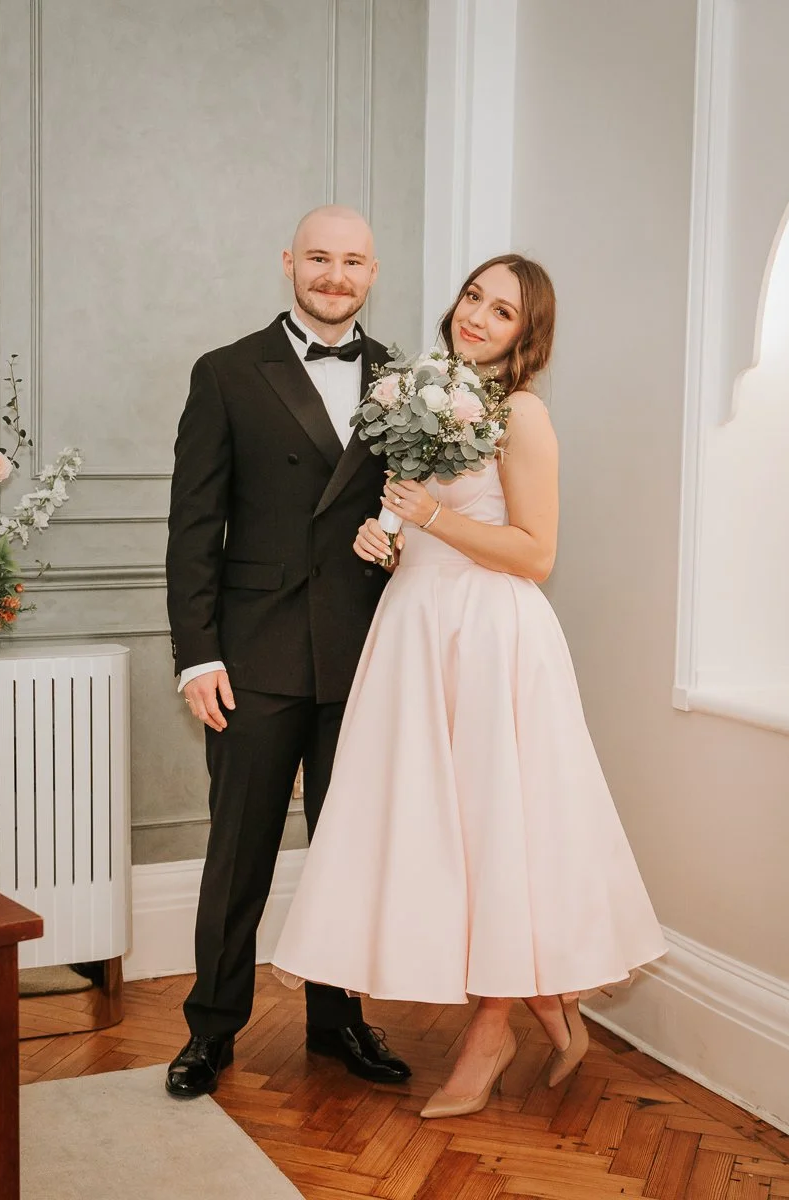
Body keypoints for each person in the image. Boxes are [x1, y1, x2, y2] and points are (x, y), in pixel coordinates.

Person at [271, 253, 667, 1117]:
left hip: (490, 638)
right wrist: (390, 541)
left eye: (503, 312)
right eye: (474, 298)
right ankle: (549, 1005)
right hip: (417, 629)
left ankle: (494, 1030)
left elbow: (535, 552)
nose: (478, 318)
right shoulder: (426, 395)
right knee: (435, 826)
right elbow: (421, 523)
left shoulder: (521, 413)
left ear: (528, 335)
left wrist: (432, 518)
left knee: (498, 829)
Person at [164, 205, 411, 1099]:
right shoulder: (227, 372)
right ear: (287, 264)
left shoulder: (405, 380)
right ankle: (211, 1028)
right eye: (318, 257)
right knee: (239, 854)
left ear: (373, 274)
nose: (334, 275)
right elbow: (193, 525)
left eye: (352, 261)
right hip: (253, 656)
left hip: (365, 656)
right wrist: (198, 655)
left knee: (348, 847)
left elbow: (422, 512)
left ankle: (337, 1021)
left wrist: (402, 544)